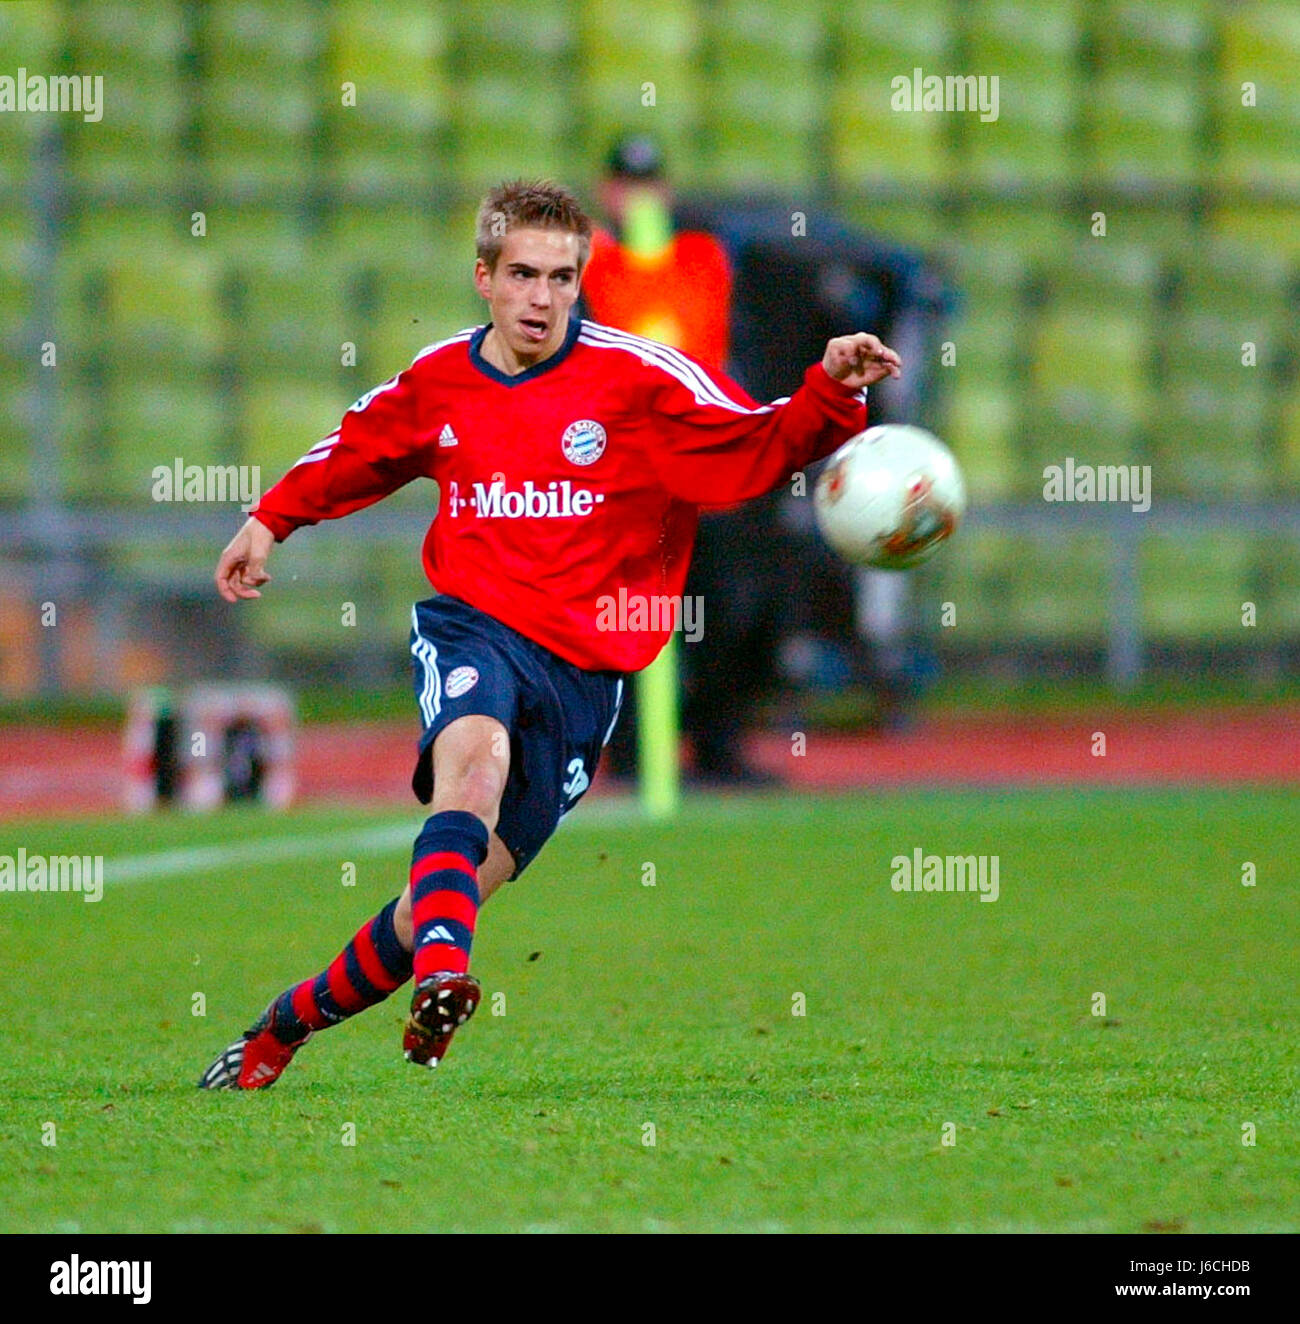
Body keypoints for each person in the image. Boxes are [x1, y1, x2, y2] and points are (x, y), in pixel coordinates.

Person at [198, 179, 899, 1089]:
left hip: (584, 675)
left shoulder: (639, 381)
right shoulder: (440, 380)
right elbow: (355, 450)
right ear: (484, 277)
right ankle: (448, 979)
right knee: (474, 767)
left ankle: (283, 1026)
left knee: (430, 906)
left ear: (581, 283)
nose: (542, 297)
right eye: (523, 274)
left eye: (562, 278)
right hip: (475, 628)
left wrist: (830, 391)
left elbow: (753, 445)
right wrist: (268, 521)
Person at [583, 135, 785, 785]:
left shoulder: (699, 259)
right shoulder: (592, 268)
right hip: (630, 482)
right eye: (625, 185)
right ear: (606, 193)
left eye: (647, 186)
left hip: (703, 473)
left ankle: (716, 746)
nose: (636, 199)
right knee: (633, 618)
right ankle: (636, 753)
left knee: (723, 612)